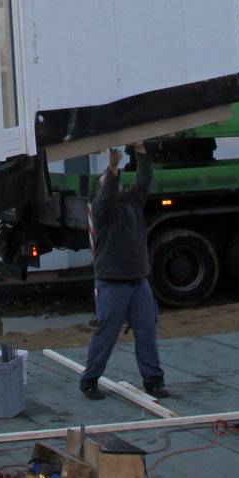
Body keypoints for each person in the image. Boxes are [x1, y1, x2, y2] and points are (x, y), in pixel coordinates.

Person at [78, 144, 168, 402]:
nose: (113, 183)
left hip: (139, 281)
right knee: (106, 333)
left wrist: (141, 151)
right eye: (107, 181)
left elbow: (144, 178)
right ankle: (90, 380)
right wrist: (112, 168)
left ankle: (153, 381)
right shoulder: (102, 208)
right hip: (112, 283)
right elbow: (106, 194)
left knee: (146, 330)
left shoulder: (132, 202)